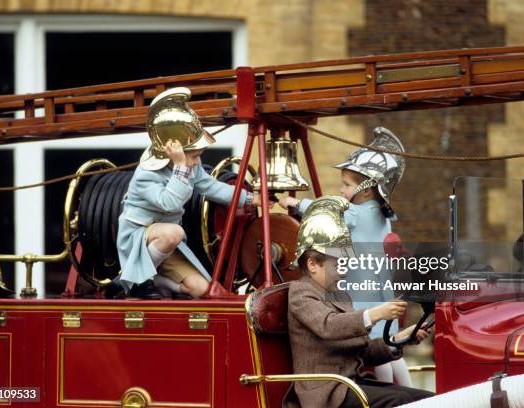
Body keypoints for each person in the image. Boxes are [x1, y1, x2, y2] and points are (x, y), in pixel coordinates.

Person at [280, 127, 412, 386]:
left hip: (361, 293)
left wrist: (296, 205)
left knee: (378, 352)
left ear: (366, 189)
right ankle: (409, 394)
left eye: (347, 185)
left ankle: (389, 394)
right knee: (393, 352)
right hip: (380, 288)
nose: (341, 190)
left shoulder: (356, 213)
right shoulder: (381, 216)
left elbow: (330, 210)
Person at [283, 196, 434, 408]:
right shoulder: (301, 293)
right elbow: (329, 326)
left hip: (350, 383)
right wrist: (376, 314)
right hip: (326, 393)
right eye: (338, 264)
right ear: (313, 264)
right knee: (400, 402)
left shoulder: (339, 294)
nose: (344, 272)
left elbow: (361, 350)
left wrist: (398, 339)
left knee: (425, 399)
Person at [117, 87, 264, 299]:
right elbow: (170, 203)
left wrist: (250, 199)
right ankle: (137, 279)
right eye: (193, 156)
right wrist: (180, 167)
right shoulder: (145, 175)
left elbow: (211, 187)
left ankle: (149, 280)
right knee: (173, 232)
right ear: (173, 152)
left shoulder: (189, 165)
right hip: (138, 241)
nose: (197, 162)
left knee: (199, 288)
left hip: (166, 246)